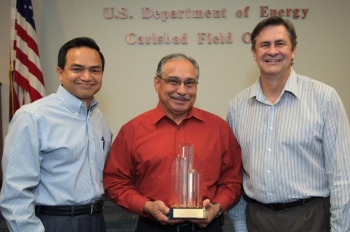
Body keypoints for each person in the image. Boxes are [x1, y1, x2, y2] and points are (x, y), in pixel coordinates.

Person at [227, 16, 350, 232]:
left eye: (280, 43)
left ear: (293, 50)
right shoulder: (237, 107)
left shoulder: (325, 99)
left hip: (311, 219)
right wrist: (239, 225)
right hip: (257, 219)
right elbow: (236, 175)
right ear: (254, 53)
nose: (272, 51)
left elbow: (341, 176)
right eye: (264, 45)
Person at [103, 53, 242, 232]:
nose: (182, 91)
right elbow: (115, 181)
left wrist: (217, 206)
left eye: (189, 83)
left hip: (207, 227)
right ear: (157, 83)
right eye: (173, 81)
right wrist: (147, 206)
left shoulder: (219, 128)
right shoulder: (133, 130)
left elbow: (233, 180)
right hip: (152, 227)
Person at [0, 37, 112, 232]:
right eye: (77, 69)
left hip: (96, 220)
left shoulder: (98, 118)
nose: (87, 76)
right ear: (60, 72)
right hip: (53, 222)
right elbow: (15, 194)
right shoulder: (32, 117)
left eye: (95, 70)